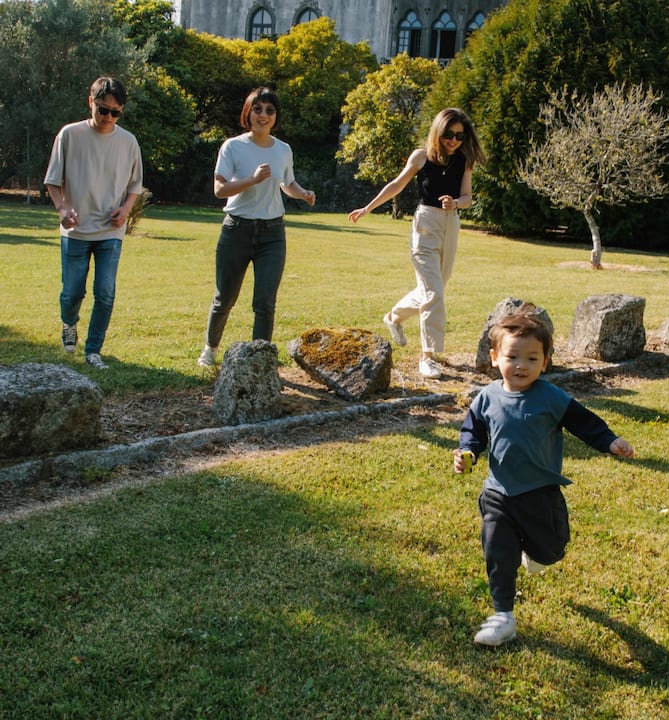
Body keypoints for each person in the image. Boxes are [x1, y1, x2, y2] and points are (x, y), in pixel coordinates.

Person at [453, 313, 635, 647]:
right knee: (497, 550)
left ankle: (537, 555)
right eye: (512, 357)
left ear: (545, 362)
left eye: (532, 358)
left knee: (551, 550)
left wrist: (609, 441)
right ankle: (502, 615)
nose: (521, 365)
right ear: (494, 358)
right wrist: (468, 452)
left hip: (540, 494)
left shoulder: (551, 397)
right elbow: (474, 433)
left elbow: (585, 423)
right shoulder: (487, 397)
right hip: (498, 493)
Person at [348, 108, 484, 379]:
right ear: (438, 131)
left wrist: (455, 203)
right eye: (449, 134)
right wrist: (368, 207)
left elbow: (467, 197)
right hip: (425, 225)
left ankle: (394, 317)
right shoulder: (421, 156)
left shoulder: (464, 159)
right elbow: (397, 184)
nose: (454, 140)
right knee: (434, 293)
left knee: (433, 290)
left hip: (451, 223)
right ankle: (428, 356)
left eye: (460, 135)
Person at [197, 87, 316, 367]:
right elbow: (219, 189)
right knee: (224, 298)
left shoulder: (283, 149)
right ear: (248, 113)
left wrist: (304, 193)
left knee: (264, 302)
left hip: (272, 234)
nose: (263, 115)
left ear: (276, 116)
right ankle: (210, 349)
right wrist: (251, 180)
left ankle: (259, 359)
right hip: (236, 230)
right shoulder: (233, 146)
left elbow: (288, 184)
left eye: (269, 110)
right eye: (258, 109)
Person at [44, 76, 143, 370]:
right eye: (103, 110)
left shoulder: (128, 142)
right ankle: (69, 322)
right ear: (91, 102)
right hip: (75, 229)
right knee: (72, 291)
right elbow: (52, 181)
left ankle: (93, 350)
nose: (108, 117)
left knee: (105, 291)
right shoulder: (70, 135)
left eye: (115, 112)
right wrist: (62, 208)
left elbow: (135, 185)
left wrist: (125, 209)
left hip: (110, 231)